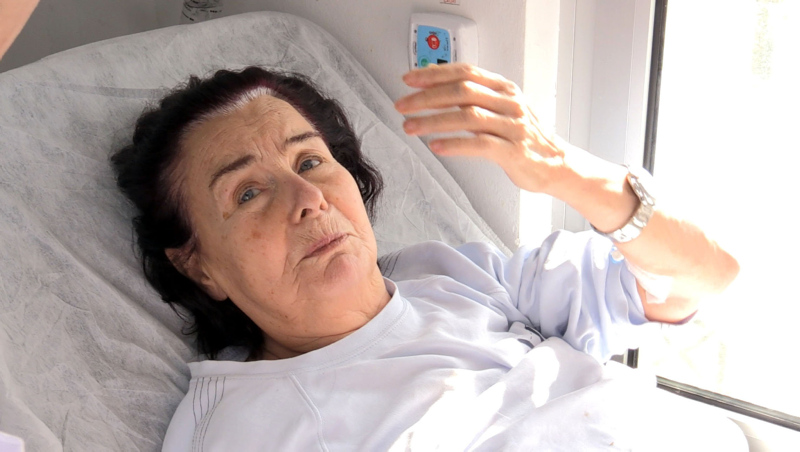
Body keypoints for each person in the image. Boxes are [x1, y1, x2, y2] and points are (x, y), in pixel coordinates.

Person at [111, 64, 740, 450]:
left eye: (310, 160)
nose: (307, 198)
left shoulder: (455, 275)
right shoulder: (242, 428)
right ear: (198, 264)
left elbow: (707, 275)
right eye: (248, 193)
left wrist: (563, 171)